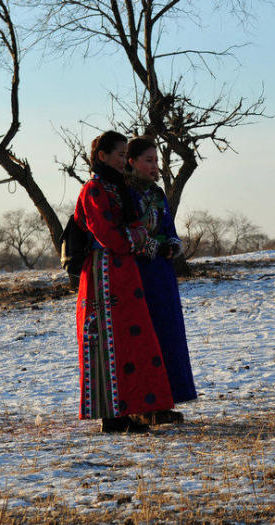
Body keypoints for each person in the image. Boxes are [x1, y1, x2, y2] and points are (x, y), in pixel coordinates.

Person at [74, 130, 175, 433]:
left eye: (123, 155)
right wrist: (136, 238)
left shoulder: (116, 187)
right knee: (106, 339)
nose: (122, 159)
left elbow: (132, 225)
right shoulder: (93, 189)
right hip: (101, 273)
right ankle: (111, 414)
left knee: (129, 340)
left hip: (124, 272)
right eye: (119, 154)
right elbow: (104, 232)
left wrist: (141, 237)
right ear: (102, 156)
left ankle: (129, 410)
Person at [124, 136, 198, 420]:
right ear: (131, 162)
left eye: (157, 161)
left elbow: (168, 227)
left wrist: (171, 245)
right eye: (148, 160)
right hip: (137, 274)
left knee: (167, 334)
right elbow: (126, 233)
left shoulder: (156, 194)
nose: (155, 166)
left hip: (162, 274)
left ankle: (164, 402)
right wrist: (153, 247)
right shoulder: (124, 193)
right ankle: (143, 405)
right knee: (144, 337)